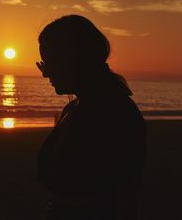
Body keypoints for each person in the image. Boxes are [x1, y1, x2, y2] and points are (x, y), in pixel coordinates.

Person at [36, 15, 146, 220]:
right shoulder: (75, 108)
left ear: (73, 59)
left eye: (50, 64)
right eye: (43, 64)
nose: (45, 73)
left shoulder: (114, 114)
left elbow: (122, 196)